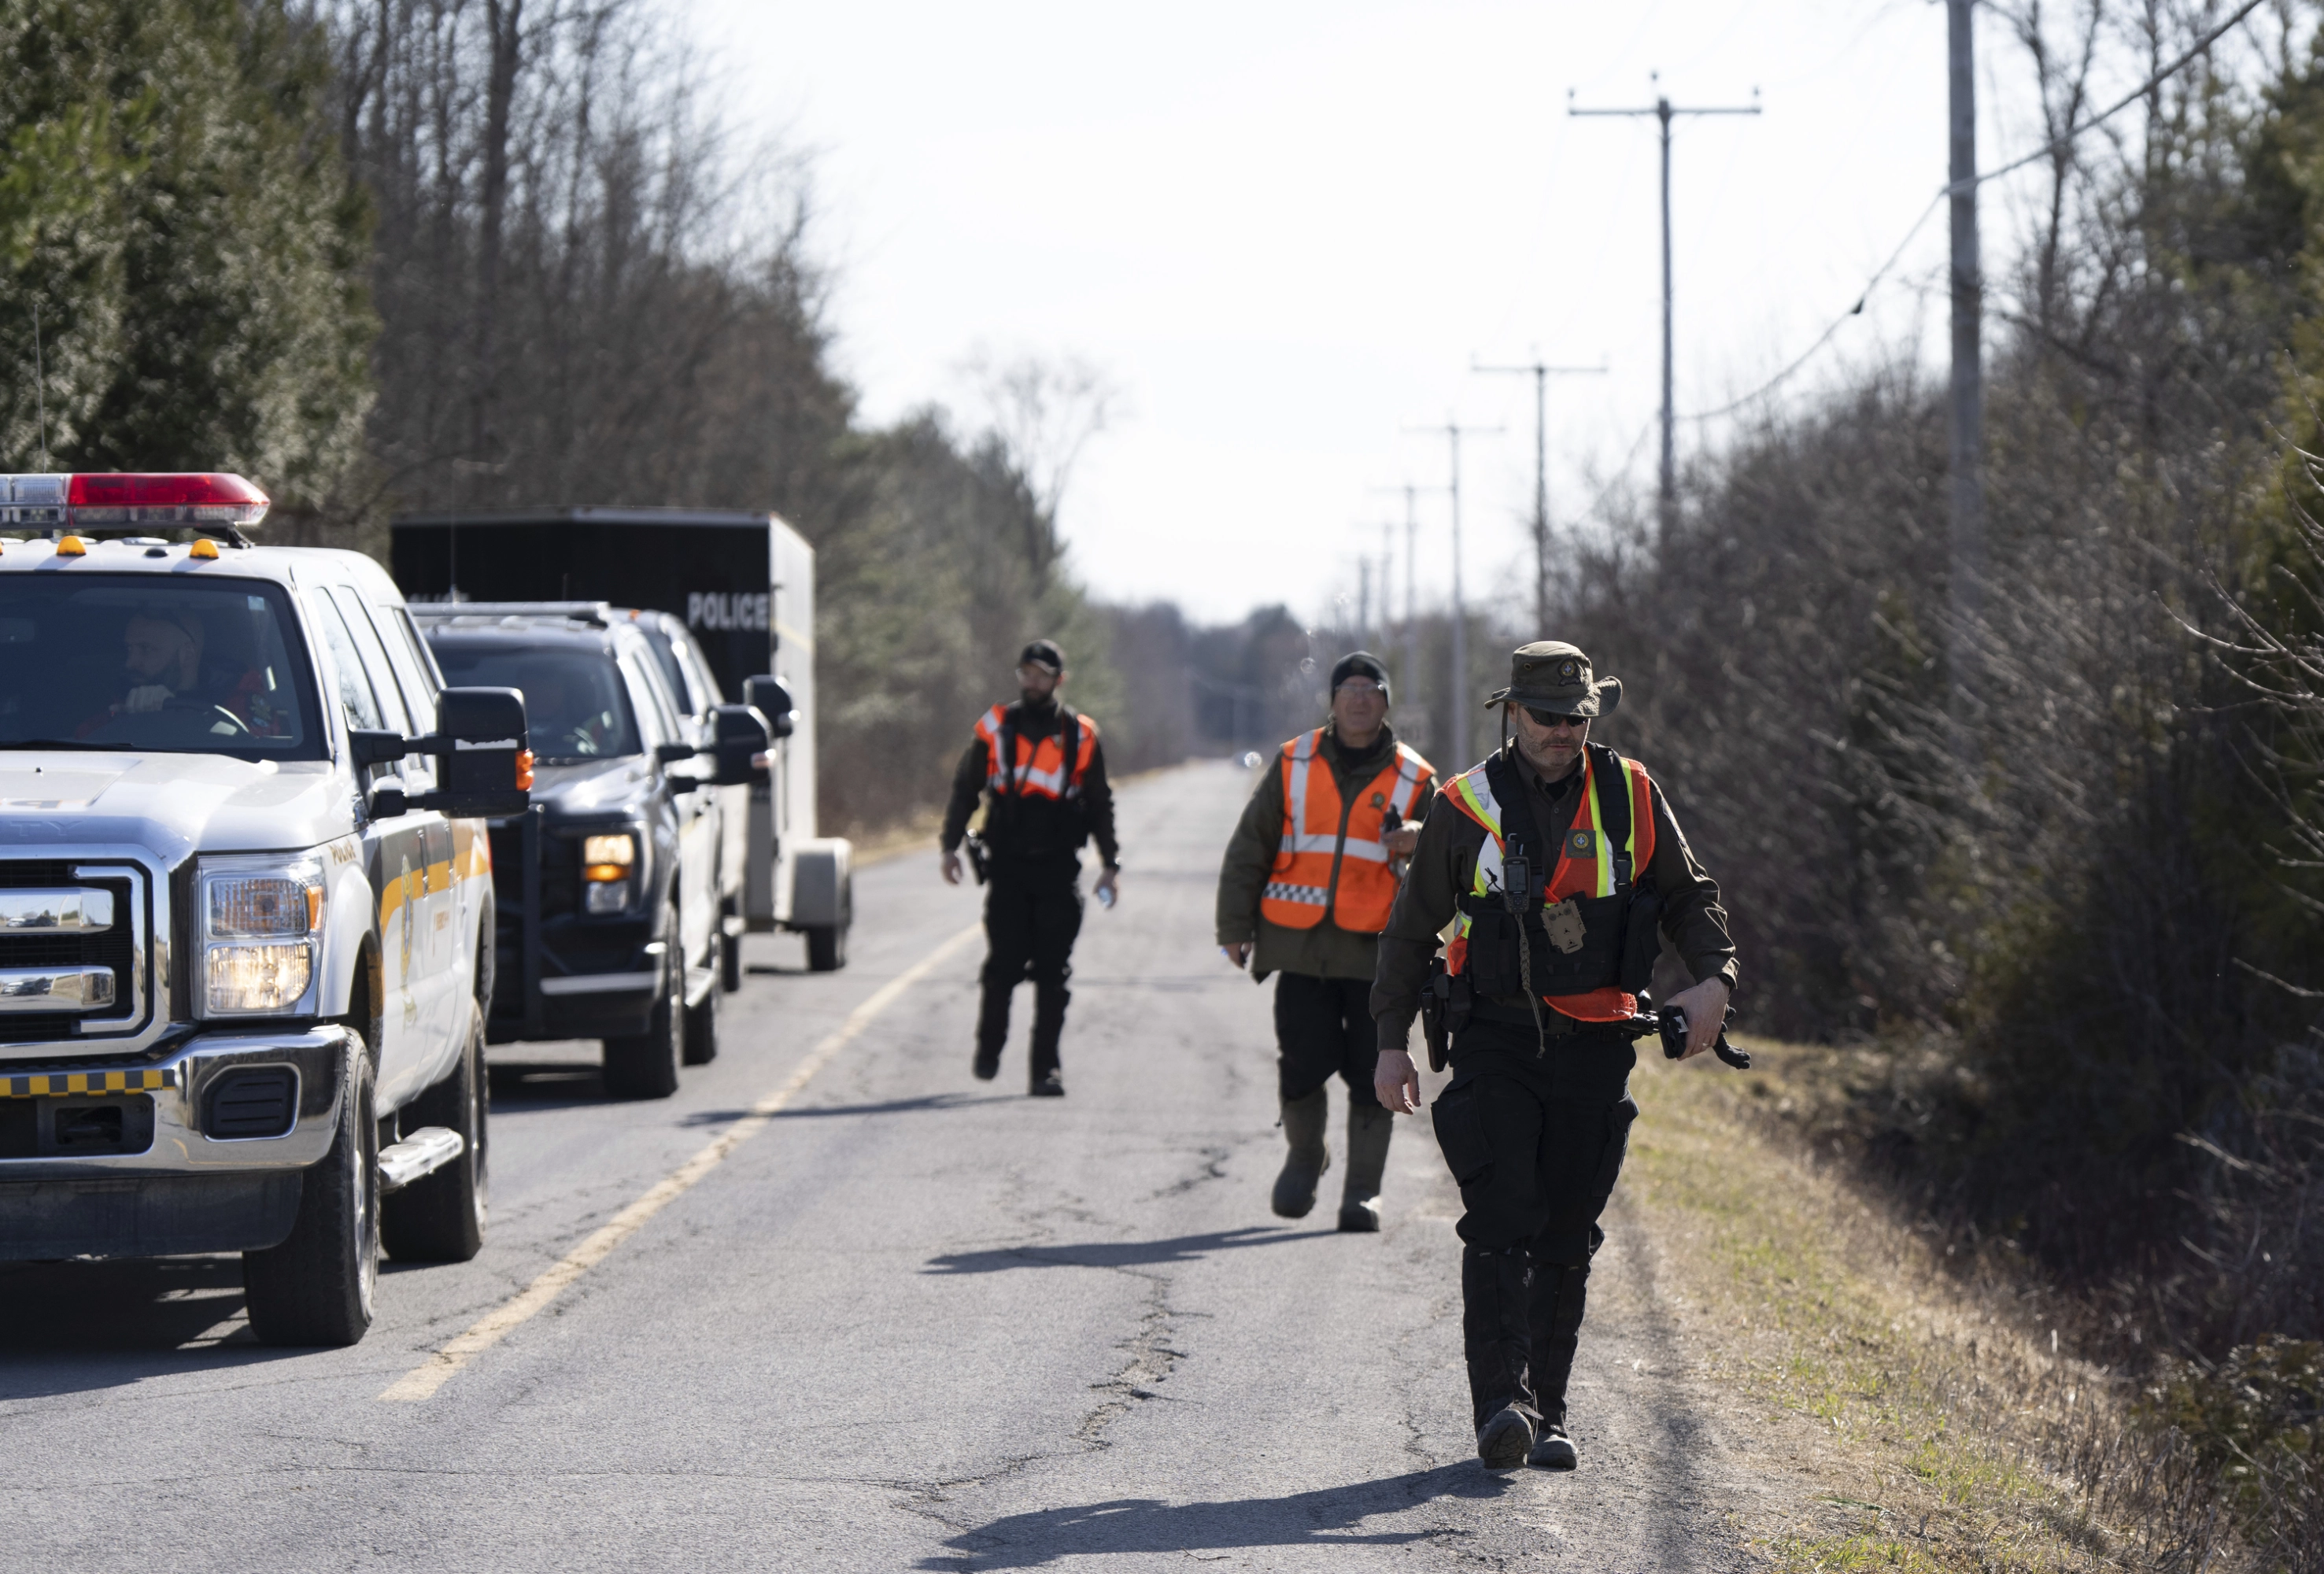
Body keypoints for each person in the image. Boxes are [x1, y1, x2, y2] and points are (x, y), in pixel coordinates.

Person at [1370, 641, 1739, 1473]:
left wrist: (1716, 978)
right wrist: (1391, 1044)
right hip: (1495, 1038)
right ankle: (1503, 1402)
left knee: (1567, 1231)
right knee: (1504, 1216)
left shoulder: (1633, 792)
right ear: (1512, 712)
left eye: (1576, 719)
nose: (1562, 733)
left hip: (1598, 1045)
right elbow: (1407, 932)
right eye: (1545, 717)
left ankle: (1551, 1407)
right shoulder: (1463, 805)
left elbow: (1690, 896)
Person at [1214, 652, 1434, 1232]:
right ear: (1332, 700)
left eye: (1371, 689)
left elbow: (1454, 860)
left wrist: (1420, 838)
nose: (1359, 699)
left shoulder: (1416, 777)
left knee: (1373, 1073)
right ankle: (1305, 1156)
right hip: (1298, 949)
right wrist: (1233, 927)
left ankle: (1361, 1192)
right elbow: (1249, 848)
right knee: (1302, 1066)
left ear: (1386, 703)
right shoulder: (1294, 761)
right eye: (1348, 688)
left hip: (1379, 958)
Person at [940, 640, 1121, 1096]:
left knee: (1053, 974)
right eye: (1026, 673)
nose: (1032, 682)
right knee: (1002, 967)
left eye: (1041, 675)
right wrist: (949, 847)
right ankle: (989, 1049)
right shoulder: (996, 728)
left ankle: (1046, 1070)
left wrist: (1110, 863)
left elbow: (1100, 803)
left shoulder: (1081, 735)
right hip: (1008, 869)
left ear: (1059, 680)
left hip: (1059, 871)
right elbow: (967, 789)